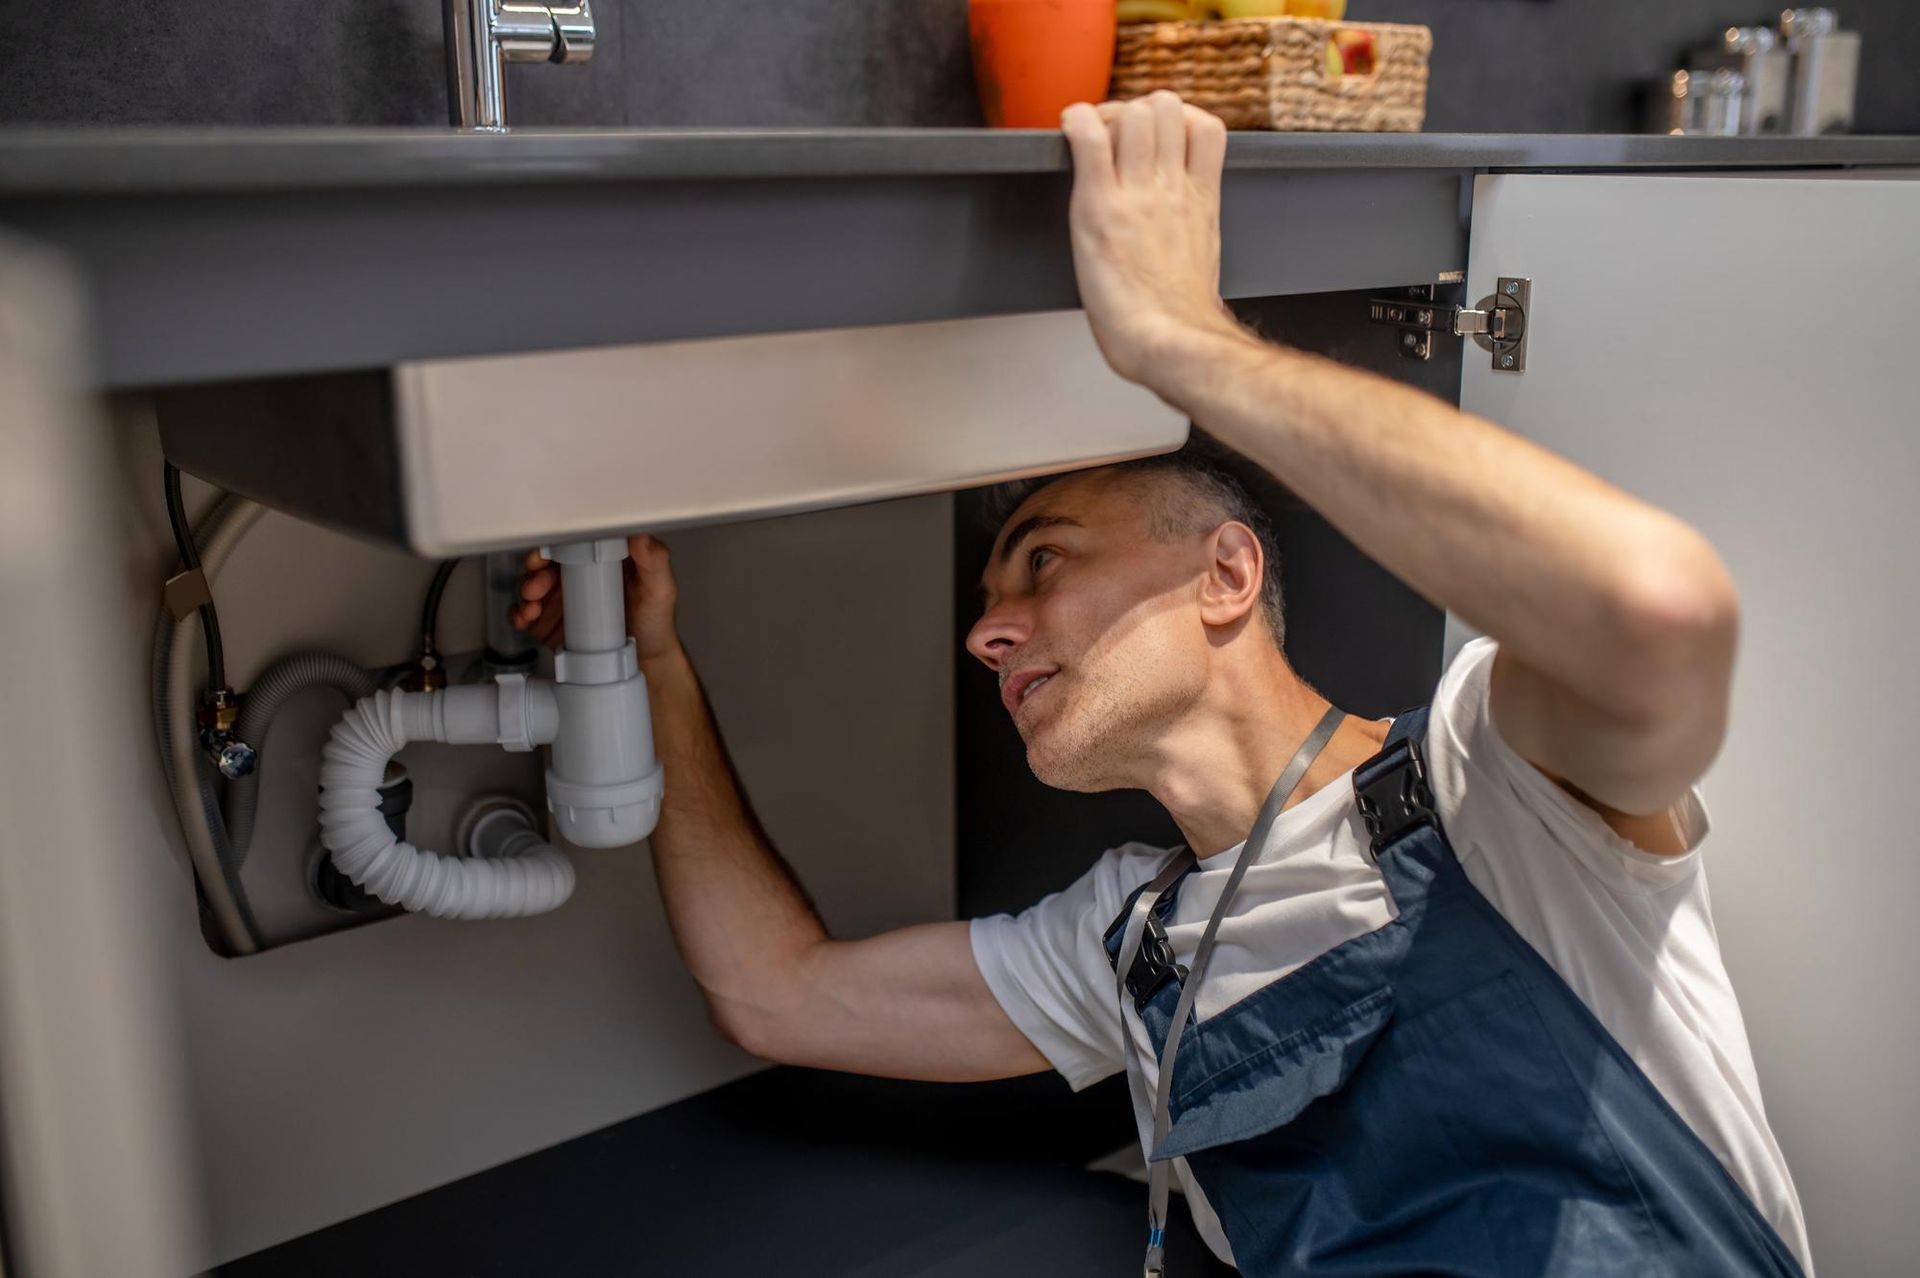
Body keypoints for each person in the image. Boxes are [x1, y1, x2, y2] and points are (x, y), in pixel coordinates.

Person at [513, 94, 1810, 1276]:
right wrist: (656, 663)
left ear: (1226, 575)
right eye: (986, 607)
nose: (988, 633)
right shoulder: (1126, 946)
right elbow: (773, 990)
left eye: (1043, 563)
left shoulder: (1495, 789)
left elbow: (1656, 609)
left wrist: (1182, 346)